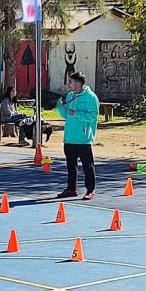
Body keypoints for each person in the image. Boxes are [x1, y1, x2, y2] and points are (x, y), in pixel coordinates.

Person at [56, 71, 100, 200]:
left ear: (78, 83)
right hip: (69, 137)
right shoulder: (70, 95)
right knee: (70, 165)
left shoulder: (91, 97)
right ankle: (71, 188)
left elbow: (93, 116)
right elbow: (66, 115)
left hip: (83, 139)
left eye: (71, 82)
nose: (68, 84)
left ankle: (90, 190)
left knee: (87, 165)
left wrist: (77, 113)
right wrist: (61, 107)